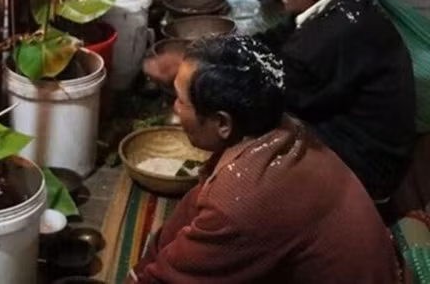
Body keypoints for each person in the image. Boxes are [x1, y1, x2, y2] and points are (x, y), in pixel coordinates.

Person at [131, 35, 408, 284]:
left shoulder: (241, 200)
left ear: (222, 123)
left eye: (181, 101)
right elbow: (196, 203)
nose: (175, 108)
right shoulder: (285, 130)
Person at [260, 0, 416, 204]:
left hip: (370, 167)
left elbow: (275, 92)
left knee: (255, 126)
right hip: (364, 138)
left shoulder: (332, 34)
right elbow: (278, 37)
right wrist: (227, 51)